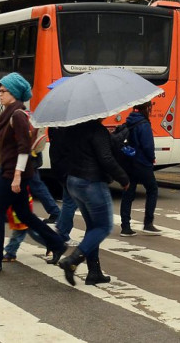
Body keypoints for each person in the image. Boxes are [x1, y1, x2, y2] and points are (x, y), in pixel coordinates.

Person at [0, 73, 65, 274]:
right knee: (24, 214)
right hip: (13, 172)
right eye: (0, 90)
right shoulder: (11, 114)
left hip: (13, 175)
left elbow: (23, 148)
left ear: (13, 93)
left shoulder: (17, 116)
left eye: (3, 90)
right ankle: (57, 243)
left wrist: (16, 176)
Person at [56, 119, 129, 286]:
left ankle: (94, 272)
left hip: (73, 181)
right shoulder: (97, 131)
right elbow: (106, 158)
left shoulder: (72, 129)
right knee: (104, 227)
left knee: (93, 227)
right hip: (91, 183)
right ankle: (72, 260)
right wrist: (123, 178)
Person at [119, 102, 161, 237]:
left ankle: (125, 227)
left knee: (128, 193)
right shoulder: (144, 124)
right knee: (152, 189)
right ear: (147, 108)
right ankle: (148, 223)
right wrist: (152, 158)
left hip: (129, 162)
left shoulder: (129, 121)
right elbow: (148, 145)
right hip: (142, 163)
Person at [47, 127, 79, 248]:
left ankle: (60, 231)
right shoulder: (66, 131)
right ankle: (62, 233)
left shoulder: (54, 128)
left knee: (69, 201)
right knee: (71, 202)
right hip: (68, 169)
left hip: (60, 168)